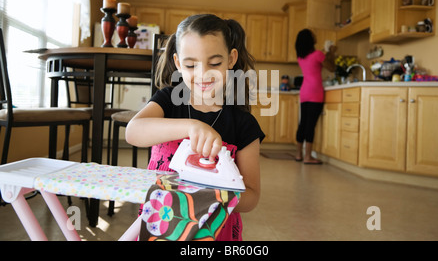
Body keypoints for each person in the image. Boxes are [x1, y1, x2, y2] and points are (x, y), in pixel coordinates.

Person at [125, 14, 265, 241]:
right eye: (191, 65)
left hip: (217, 232)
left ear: (231, 59)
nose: (203, 74)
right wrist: (191, 126)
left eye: (215, 63)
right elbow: (133, 132)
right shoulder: (168, 100)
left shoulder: (244, 125)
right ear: (179, 64)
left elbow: (252, 196)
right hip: (159, 224)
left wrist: (215, 195)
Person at [294, 28, 336, 164]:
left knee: (303, 124)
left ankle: (299, 154)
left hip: (304, 91)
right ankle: (308, 157)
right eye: (313, 35)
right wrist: (331, 52)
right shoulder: (318, 54)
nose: (315, 36)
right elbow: (332, 67)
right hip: (315, 91)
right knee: (310, 125)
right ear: (310, 40)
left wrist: (327, 52)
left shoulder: (300, 57)